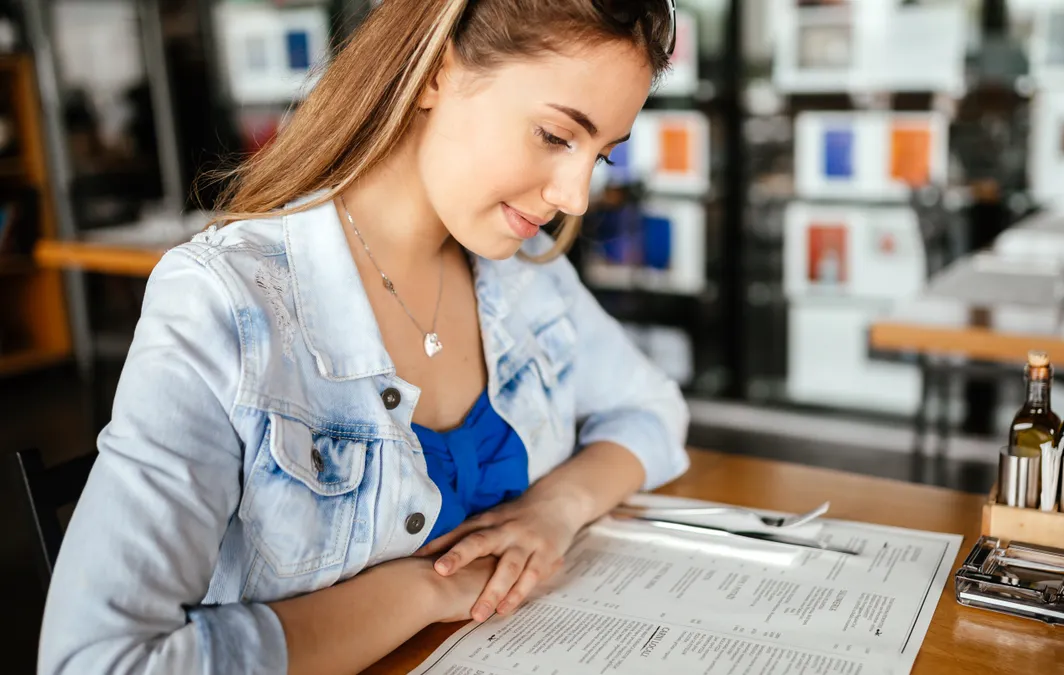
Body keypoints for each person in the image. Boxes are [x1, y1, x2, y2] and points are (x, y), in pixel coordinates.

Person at [39, 2, 687, 674]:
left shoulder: (521, 278)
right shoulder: (225, 305)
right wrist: (424, 588)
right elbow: (99, 660)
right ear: (437, 72)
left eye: (601, 153)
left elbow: (653, 410)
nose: (577, 196)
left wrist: (555, 506)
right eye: (556, 136)